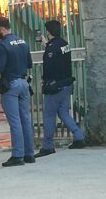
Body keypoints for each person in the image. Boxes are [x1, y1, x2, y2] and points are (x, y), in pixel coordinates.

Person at [35, 20, 85, 158]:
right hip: (66, 85)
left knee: (49, 115)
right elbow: (56, 54)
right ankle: (79, 137)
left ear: (48, 31)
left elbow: (49, 65)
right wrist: (46, 44)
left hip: (55, 87)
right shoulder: (64, 44)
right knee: (63, 113)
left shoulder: (52, 48)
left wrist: (44, 80)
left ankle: (48, 146)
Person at [0, 17, 35, 167]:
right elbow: (29, 63)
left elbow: (0, 68)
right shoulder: (22, 42)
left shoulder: (3, 45)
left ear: (3, 28)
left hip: (11, 85)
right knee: (25, 119)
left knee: (14, 121)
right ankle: (29, 154)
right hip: (24, 83)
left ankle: (17, 155)